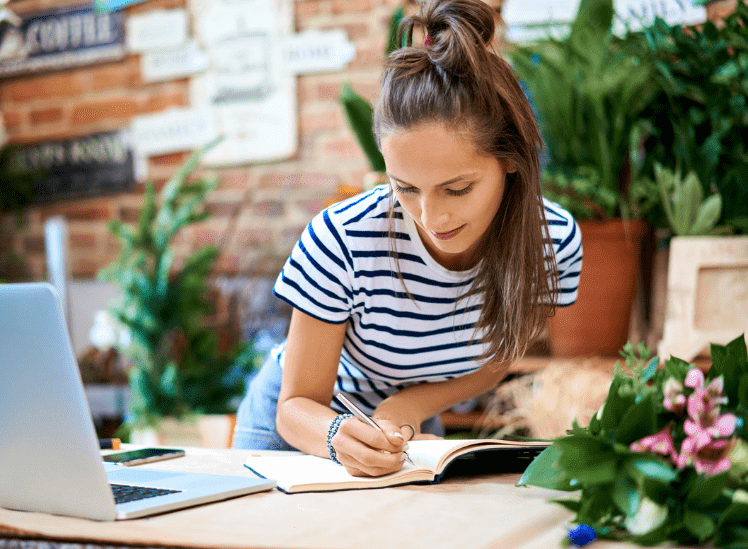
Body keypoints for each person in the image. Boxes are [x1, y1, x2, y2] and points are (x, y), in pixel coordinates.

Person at [232, 0, 583, 477]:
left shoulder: (552, 243)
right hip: (300, 430)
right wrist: (338, 436)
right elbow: (295, 405)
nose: (430, 216)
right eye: (406, 188)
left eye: (457, 188)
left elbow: (500, 356)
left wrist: (411, 404)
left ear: (511, 159)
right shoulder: (344, 238)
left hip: (405, 428)